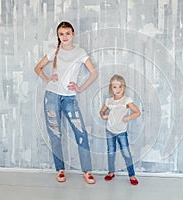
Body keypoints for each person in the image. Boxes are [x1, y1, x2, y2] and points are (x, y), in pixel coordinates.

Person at [34, 21, 98, 184]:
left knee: (81, 133)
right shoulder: (54, 51)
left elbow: (94, 73)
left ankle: (87, 171)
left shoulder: (80, 52)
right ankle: (60, 169)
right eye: (61, 34)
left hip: (69, 97)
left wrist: (80, 88)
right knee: (55, 134)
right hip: (52, 96)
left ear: (73, 34)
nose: (65, 37)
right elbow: (37, 68)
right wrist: (47, 78)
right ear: (58, 36)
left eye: (67, 33)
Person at [99, 74, 141, 185]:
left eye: (120, 87)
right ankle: (111, 172)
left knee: (126, 153)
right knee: (111, 152)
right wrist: (104, 116)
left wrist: (128, 117)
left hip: (121, 131)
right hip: (110, 130)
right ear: (111, 88)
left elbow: (137, 112)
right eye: (114, 87)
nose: (117, 90)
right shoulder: (109, 101)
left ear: (124, 87)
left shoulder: (126, 100)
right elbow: (102, 111)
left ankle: (132, 175)